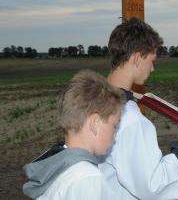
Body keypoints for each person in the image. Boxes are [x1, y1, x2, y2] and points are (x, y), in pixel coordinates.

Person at [98, 17, 178, 199]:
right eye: (152, 60)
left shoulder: (93, 98)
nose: (153, 68)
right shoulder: (129, 118)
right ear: (137, 58)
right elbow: (153, 187)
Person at [22, 70, 124, 199]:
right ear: (95, 123)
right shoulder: (87, 178)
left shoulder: (58, 169)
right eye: (114, 126)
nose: (115, 135)